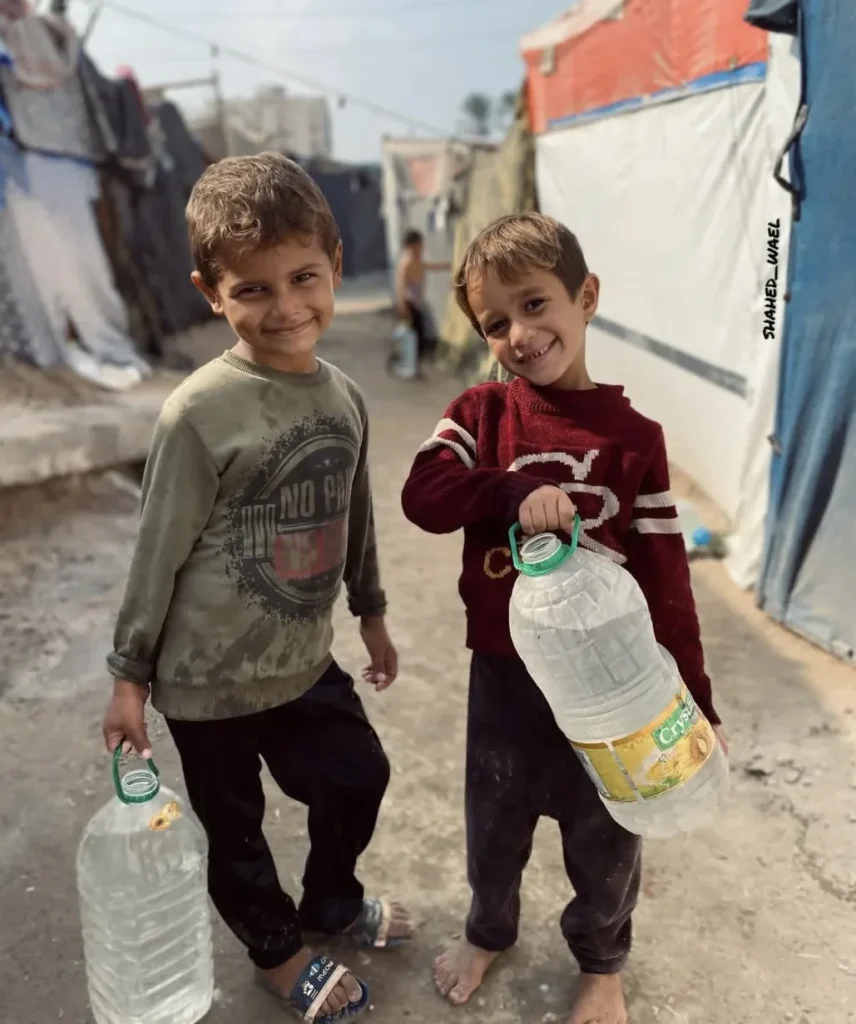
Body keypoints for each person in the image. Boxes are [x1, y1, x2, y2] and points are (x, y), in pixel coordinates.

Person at [102, 153, 412, 1024]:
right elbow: (156, 551)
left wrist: (373, 610)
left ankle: (330, 903)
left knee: (358, 777)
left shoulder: (343, 396)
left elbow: (354, 509)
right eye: (253, 290)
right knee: (235, 836)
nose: (285, 309)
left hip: (302, 657)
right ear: (213, 293)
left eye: (302, 278)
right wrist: (130, 676)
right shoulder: (200, 412)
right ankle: (277, 954)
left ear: (335, 265)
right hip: (208, 681)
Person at [400, 213, 726, 1024]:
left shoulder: (635, 441)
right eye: (496, 322)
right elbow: (422, 495)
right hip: (507, 680)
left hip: (613, 692)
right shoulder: (482, 415)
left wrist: (696, 701)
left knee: (608, 836)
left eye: (537, 304)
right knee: (495, 825)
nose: (521, 333)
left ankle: (603, 964)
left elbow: (668, 586)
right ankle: (488, 933)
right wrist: (508, 488)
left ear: (586, 297)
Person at [394, 228, 442, 367]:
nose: (421, 247)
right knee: (417, 336)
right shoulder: (407, 262)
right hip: (410, 304)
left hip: (416, 303)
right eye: (418, 245)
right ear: (411, 246)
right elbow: (401, 286)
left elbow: (430, 266)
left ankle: (414, 364)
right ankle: (412, 364)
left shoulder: (417, 260)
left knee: (420, 334)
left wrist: (449, 266)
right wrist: (402, 306)